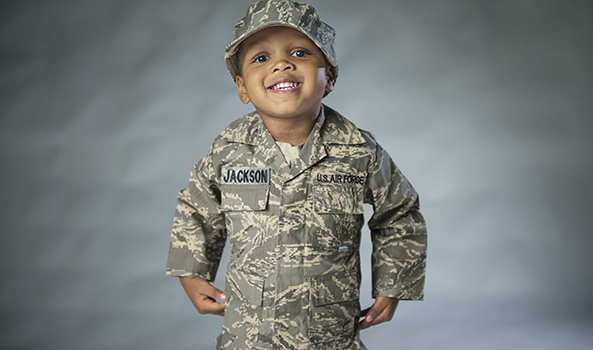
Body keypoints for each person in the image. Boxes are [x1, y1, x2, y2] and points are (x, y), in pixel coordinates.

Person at [166, 1, 427, 349]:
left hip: (329, 334)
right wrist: (192, 273)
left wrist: (393, 286)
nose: (281, 64)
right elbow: (196, 208)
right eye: (261, 58)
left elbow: (399, 214)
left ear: (329, 77)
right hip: (249, 335)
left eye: (300, 52)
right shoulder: (229, 150)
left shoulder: (358, 150)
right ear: (243, 88)